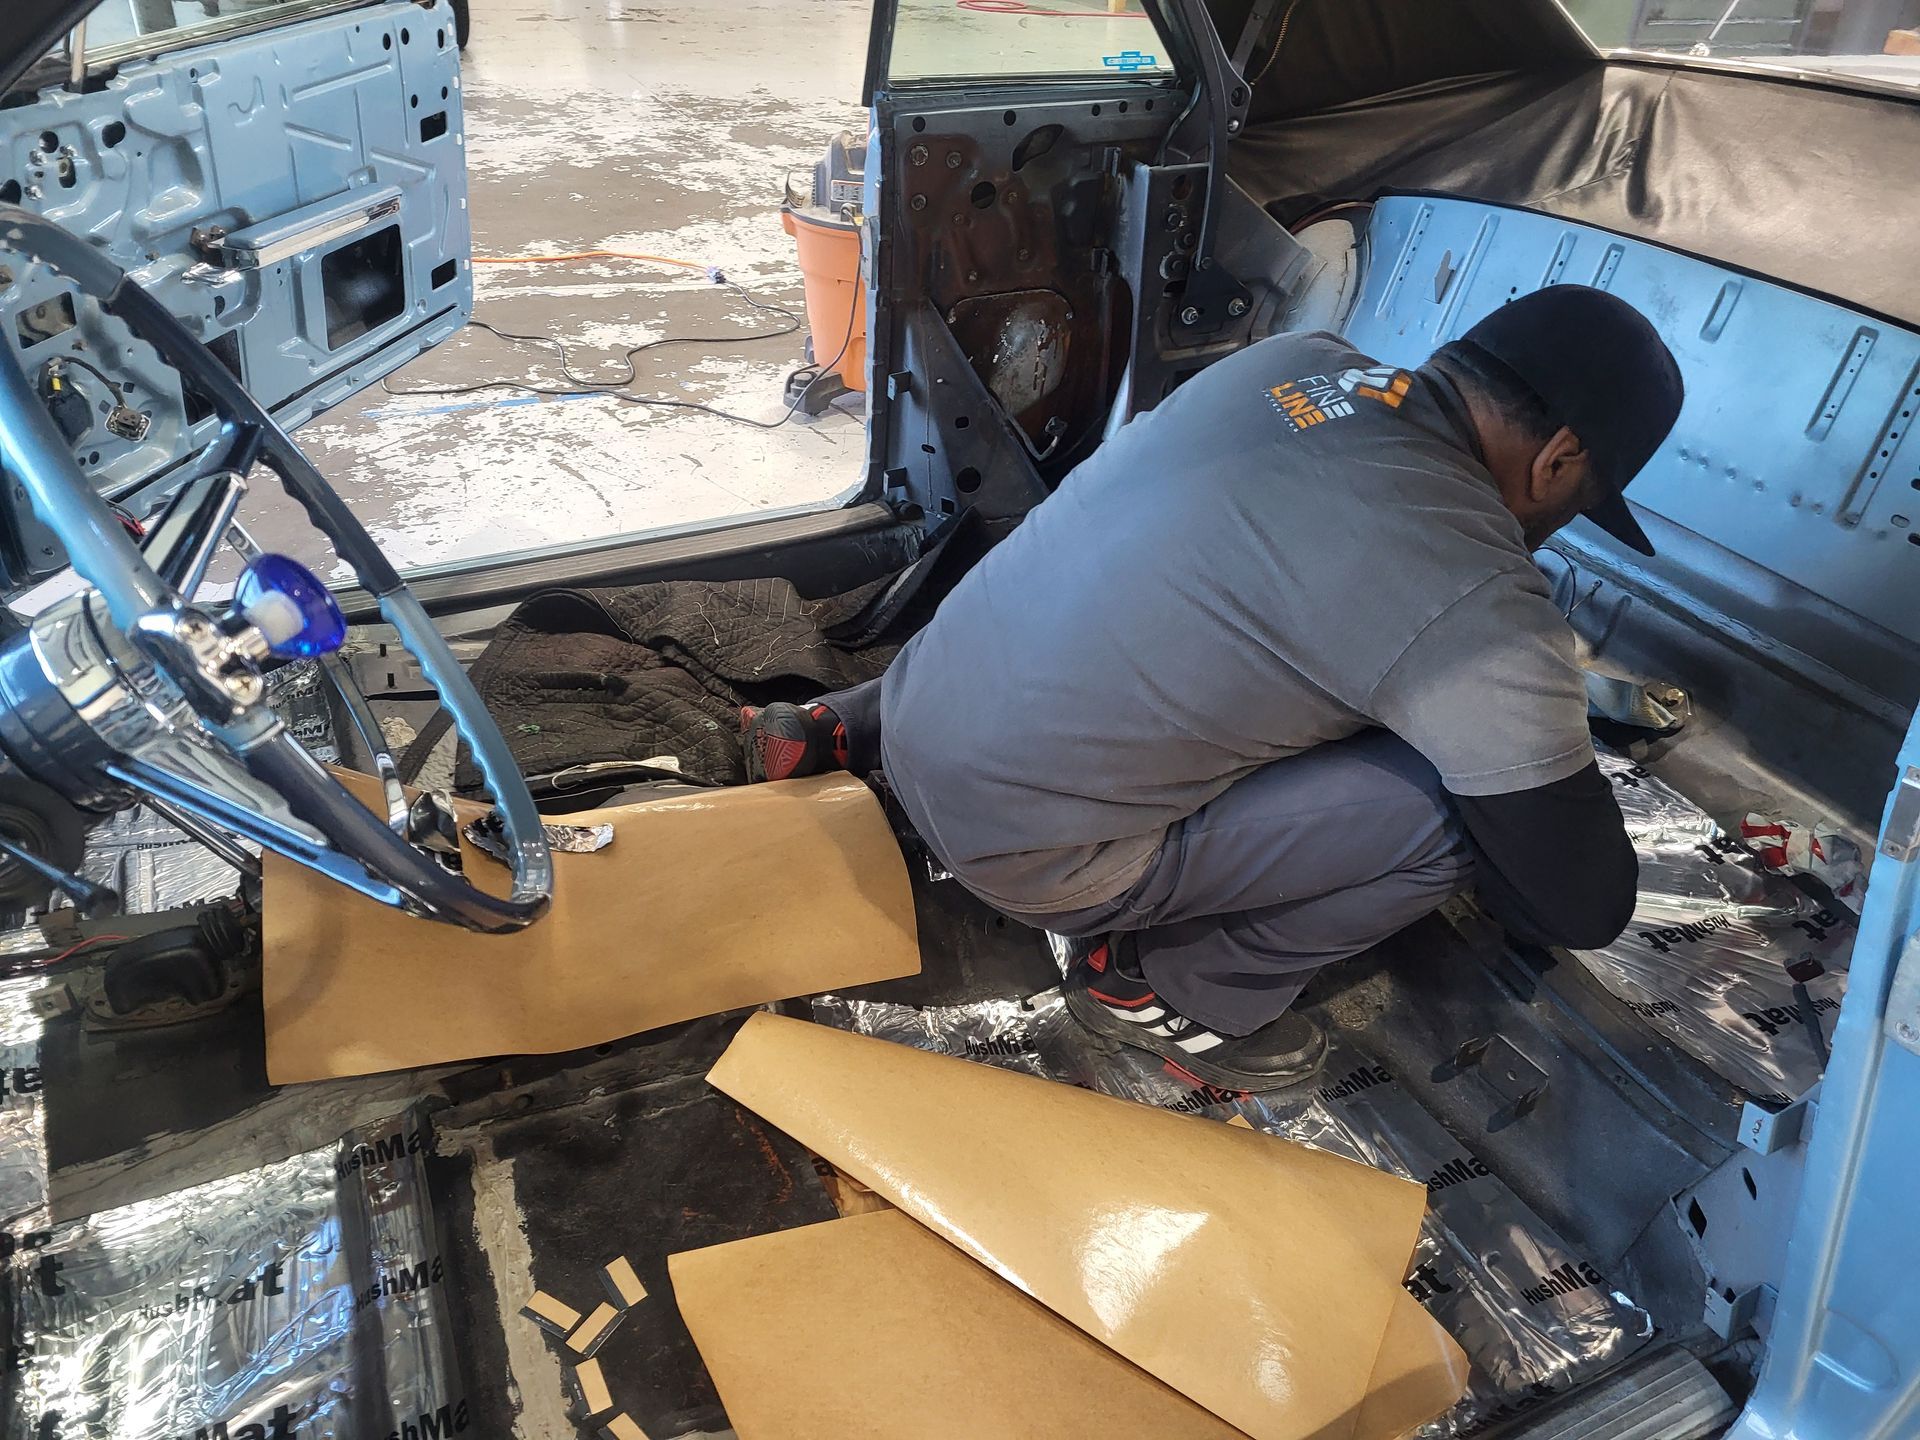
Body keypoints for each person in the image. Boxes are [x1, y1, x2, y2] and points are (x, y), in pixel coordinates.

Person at [743, 286, 1685, 1092]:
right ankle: (1172, 990)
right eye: (1575, 501)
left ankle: (832, 730)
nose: (1559, 523)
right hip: (1025, 852)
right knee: (1462, 820)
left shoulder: (1294, 360)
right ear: (1558, 459)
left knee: (1127, 598)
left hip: (913, 703)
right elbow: (1579, 903)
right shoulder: (1482, 593)